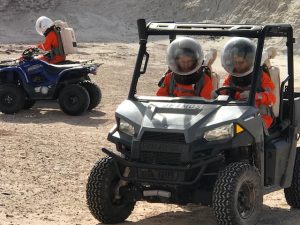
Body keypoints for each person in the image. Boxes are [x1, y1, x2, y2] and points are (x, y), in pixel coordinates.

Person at [221, 37, 276, 128]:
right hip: (236, 116)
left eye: (241, 62)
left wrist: (256, 95)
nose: (237, 65)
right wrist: (216, 95)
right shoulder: (231, 76)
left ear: (249, 61)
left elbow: (272, 98)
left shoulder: (261, 76)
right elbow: (224, 91)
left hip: (260, 117)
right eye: (235, 62)